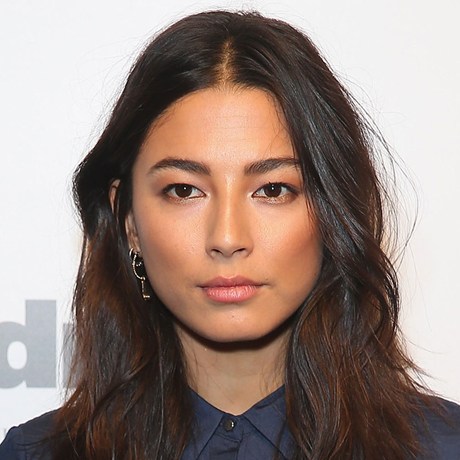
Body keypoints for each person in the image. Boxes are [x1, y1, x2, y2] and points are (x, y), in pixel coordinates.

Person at [1, 9, 459, 460]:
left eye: (272, 190)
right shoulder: (35, 454)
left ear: (334, 210)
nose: (226, 236)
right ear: (129, 221)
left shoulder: (443, 448)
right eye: (184, 190)